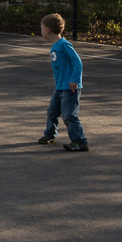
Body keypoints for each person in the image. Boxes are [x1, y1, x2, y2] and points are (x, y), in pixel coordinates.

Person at [37, 13, 88, 151]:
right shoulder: (55, 45)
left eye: (41, 28)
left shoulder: (64, 45)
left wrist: (75, 80)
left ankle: (80, 141)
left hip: (69, 87)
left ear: (47, 30)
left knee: (69, 115)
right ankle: (50, 134)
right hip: (60, 87)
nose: (40, 30)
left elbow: (77, 62)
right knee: (52, 111)